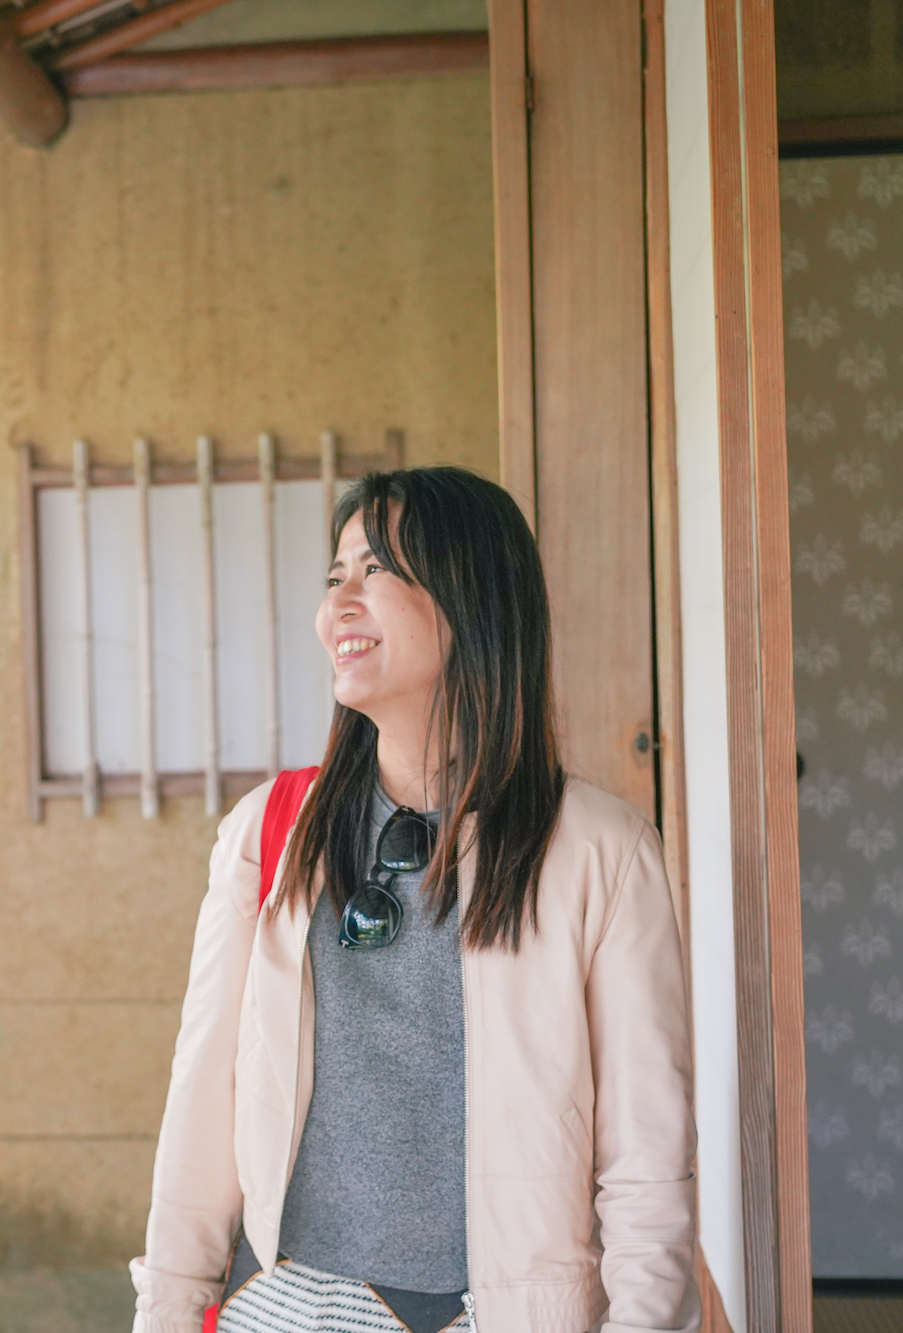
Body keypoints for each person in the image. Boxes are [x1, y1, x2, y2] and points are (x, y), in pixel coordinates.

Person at [131, 467, 697, 1333]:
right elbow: (201, 1097)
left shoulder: (599, 849)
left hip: (496, 1312)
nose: (338, 606)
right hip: (283, 1302)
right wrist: (168, 1308)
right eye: (334, 577)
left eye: (377, 571)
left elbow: (646, 1163)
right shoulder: (270, 830)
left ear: (473, 599)